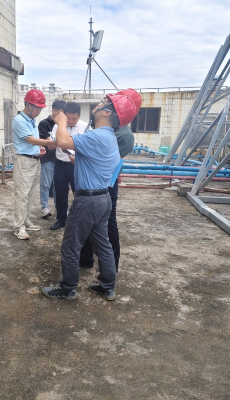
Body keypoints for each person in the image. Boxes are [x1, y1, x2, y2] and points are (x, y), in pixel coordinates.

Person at [41, 92, 138, 301]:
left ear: (108, 112)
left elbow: (63, 141)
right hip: (103, 199)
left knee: (70, 245)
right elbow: (92, 162)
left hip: (88, 200)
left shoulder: (98, 135)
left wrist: (61, 122)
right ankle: (107, 286)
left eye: (103, 103)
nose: (98, 105)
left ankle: (68, 288)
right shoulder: (109, 137)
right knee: (103, 244)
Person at [80, 89, 141, 271]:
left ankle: (111, 267)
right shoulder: (109, 127)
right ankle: (86, 258)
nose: (104, 104)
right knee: (88, 221)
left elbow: (111, 163)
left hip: (106, 183)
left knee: (108, 224)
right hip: (94, 180)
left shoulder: (124, 135)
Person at [12, 89, 57, 240]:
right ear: (28, 105)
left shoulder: (32, 121)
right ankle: (18, 227)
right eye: (37, 107)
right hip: (24, 161)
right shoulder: (19, 120)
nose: (39, 111)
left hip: (34, 160)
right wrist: (48, 142)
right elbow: (31, 140)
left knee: (31, 193)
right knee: (22, 194)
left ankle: (26, 221)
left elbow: (33, 143)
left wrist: (40, 148)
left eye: (40, 108)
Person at [49, 102, 88, 231]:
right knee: (60, 192)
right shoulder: (58, 126)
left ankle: (79, 219)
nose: (70, 121)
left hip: (78, 165)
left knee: (79, 193)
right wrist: (59, 142)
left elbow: (89, 147)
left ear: (79, 116)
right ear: (64, 115)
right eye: (68, 118)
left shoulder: (85, 127)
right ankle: (61, 219)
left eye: (74, 118)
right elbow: (50, 146)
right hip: (60, 164)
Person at [38, 100, 66, 219]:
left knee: (58, 186)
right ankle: (44, 207)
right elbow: (44, 141)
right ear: (53, 110)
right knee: (45, 184)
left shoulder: (64, 124)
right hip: (48, 158)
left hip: (61, 159)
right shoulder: (44, 124)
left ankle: (58, 208)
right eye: (60, 113)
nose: (62, 116)